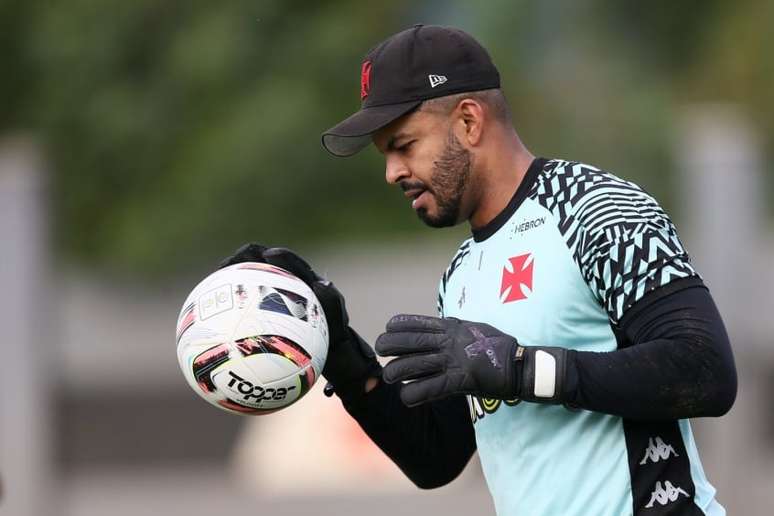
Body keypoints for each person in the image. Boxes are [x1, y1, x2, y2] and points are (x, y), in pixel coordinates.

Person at [221, 25, 737, 516]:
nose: (391, 172)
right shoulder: (463, 275)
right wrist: (341, 353)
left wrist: (520, 368)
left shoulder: (596, 210)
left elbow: (705, 370)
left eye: (404, 146)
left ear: (468, 122)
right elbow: (436, 458)